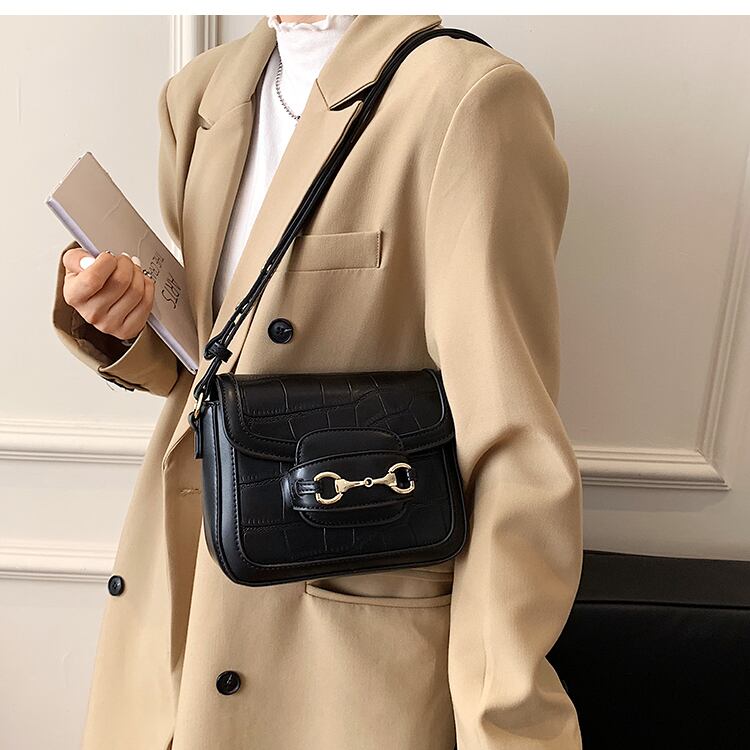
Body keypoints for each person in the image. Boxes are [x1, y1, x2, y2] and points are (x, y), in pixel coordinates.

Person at [52, 14, 582, 750]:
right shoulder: (201, 94)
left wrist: (507, 725)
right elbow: (216, 360)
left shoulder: (469, 100)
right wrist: (121, 314)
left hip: (340, 649)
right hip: (183, 583)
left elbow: (513, 448)